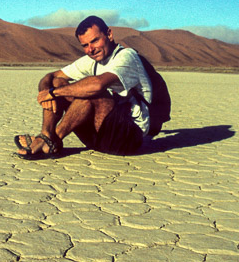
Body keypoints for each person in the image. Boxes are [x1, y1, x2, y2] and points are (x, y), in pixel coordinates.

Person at [14, 15, 152, 159]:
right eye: (85, 45)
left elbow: (97, 85)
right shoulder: (91, 61)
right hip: (95, 138)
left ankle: (52, 140)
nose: (91, 49)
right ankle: (47, 134)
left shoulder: (127, 56)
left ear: (109, 34)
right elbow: (50, 77)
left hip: (127, 139)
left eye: (95, 41)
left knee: (91, 92)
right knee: (58, 82)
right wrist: (47, 91)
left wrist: (54, 93)